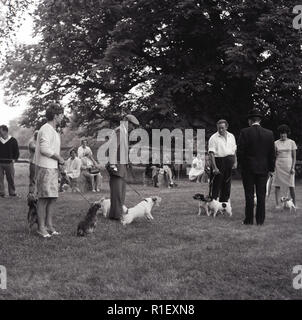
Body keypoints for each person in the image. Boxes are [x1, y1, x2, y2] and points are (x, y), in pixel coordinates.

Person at [237, 108, 275, 226]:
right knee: (261, 195)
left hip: (248, 168)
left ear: (250, 120)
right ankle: (260, 220)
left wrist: (241, 166)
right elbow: (271, 153)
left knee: (249, 194)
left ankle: (248, 220)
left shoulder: (244, 132)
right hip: (263, 169)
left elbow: (240, 152)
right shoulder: (269, 134)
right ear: (259, 120)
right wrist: (271, 169)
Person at [34, 103, 65, 238]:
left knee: (52, 197)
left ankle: (49, 225)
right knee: (44, 198)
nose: (63, 117)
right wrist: (59, 158)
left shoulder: (54, 131)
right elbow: (44, 149)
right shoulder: (45, 129)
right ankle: (41, 228)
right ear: (55, 116)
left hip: (52, 168)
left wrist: (58, 163)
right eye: (61, 114)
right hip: (45, 167)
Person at [107, 114, 140, 220]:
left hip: (122, 165)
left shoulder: (124, 132)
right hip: (117, 164)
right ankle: (117, 215)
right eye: (132, 125)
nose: (133, 128)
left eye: (134, 126)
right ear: (126, 121)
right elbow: (112, 148)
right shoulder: (119, 131)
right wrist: (112, 164)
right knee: (117, 192)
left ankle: (115, 214)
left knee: (121, 192)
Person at [208, 119, 237, 202]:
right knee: (216, 184)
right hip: (218, 161)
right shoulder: (213, 138)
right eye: (219, 128)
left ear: (226, 127)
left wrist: (235, 162)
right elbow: (211, 154)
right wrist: (214, 168)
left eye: (222, 128)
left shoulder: (231, 136)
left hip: (229, 160)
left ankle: (224, 203)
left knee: (227, 184)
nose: (220, 130)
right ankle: (213, 203)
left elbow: (234, 150)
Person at [272, 124, 297, 208]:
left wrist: (293, 167)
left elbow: (294, 157)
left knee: (291, 185)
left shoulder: (292, 142)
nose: (283, 135)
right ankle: (277, 205)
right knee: (277, 185)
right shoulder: (275, 143)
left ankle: (294, 204)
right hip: (279, 165)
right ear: (279, 134)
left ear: (287, 134)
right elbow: (274, 156)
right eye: (281, 133)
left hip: (289, 166)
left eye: (284, 133)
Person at [0, 125, 20, 198]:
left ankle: (12, 193)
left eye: (0, 130)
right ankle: (1, 193)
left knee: (10, 179)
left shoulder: (13, 140)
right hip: (0, 163)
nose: (0, 132)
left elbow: (16, 151)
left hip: (9, 163)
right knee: (0, 179)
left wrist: (15, 159)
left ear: (5, 131)